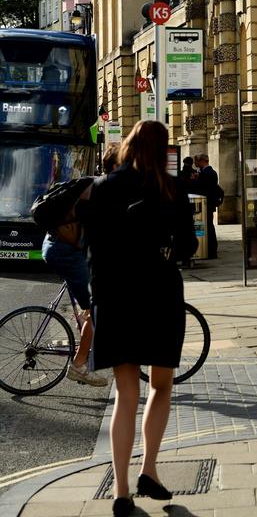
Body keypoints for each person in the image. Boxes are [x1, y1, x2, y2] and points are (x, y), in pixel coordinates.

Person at [77, 120, 197, 516]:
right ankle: (149, 469)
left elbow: (91, 250)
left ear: (128, 144)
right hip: (160, 296)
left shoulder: (105, 186)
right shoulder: (171, 187)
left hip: (116, 298)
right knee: (161, 387)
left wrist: (95, 301)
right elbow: (189, 244)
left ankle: (122, 492)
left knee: (125, 395)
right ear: (163, 150)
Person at [41, 177, 108, 388]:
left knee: (89, 304)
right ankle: (79, 366)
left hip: (55, 245)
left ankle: (83, 319)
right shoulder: (98, 189)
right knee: (97, 309)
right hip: (66, 252)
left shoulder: (87, 183)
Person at [192, 153, 223, 258]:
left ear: (202, 161)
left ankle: (212, 250)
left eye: (196, 161)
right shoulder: (203, 172)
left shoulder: (210, 172)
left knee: (209, 226)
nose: (195, 163)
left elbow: (205, 187)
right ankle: (209, 249)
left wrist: (197, 178)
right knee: (207, 226)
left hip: (207, 204)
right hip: (204, 204)